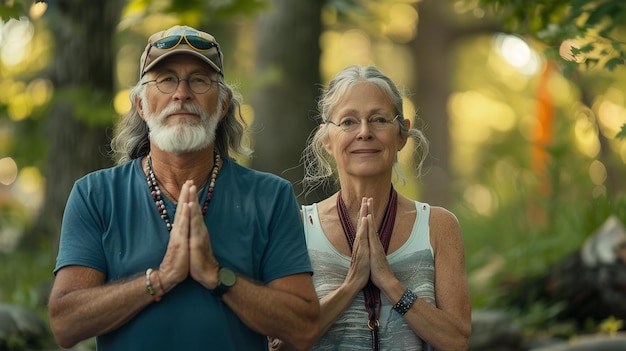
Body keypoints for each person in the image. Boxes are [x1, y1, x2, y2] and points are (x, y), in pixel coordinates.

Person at [47, 25, 320, 351]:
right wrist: (160, 278)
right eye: (165, 79)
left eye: (199, 80)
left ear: (222, 105)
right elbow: (65, 324)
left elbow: (304, 328)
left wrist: (217, 276)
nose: (182, 93)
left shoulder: (269, 196)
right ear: (140, 104)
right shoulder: (95, 195)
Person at [271, 65, 471, 351]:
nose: (364, 132)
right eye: (349, 122)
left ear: (402, 134)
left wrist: (389, 282)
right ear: (327, 139)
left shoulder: (438, 226)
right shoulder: (297, 227)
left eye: (378, 119)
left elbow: (456, 341)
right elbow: (279, 346)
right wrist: (351, 284)